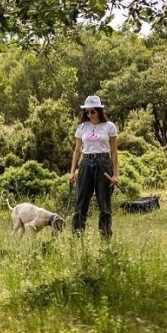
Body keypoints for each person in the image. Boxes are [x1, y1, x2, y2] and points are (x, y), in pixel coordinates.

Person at [70, 95, 120, 239]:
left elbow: (114, 152)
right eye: (87, 112)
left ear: (99, 111)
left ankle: (105, 240)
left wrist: (116, 174)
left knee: (104, 205)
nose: (90, 114)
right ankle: (77, 238)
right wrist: (72, 172)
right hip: (86, 163)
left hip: (103, 163)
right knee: (81, 204)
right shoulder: (82, 127)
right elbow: (77, 150)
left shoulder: (109, 126)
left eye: (93, 111)